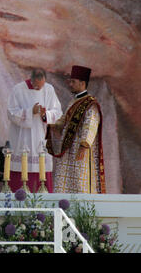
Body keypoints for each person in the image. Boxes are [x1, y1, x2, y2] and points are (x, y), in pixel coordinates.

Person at [47, 65, 106, 194]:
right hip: (69, 149)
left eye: (73, 82)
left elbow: (90, 125)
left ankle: (81, 213)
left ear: (82, 83)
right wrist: (52, 123)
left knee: (80, 181)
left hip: (81, 150)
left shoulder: (90, 104)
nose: (70, 84)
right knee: (65, 183)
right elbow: (64, 120)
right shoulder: (73, 102)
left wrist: (84, 145)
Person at [7, 68, 62, 192]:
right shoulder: (18, 89)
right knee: (21, 173)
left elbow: (58, 112)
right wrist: (30, 112)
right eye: (37, 86)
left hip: (41, 137)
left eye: (41, 86)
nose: (39, 89)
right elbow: (11, 113)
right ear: (31, 80)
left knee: (42, 174)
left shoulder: (49, 89)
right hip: (22, 139)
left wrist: (45, 115)